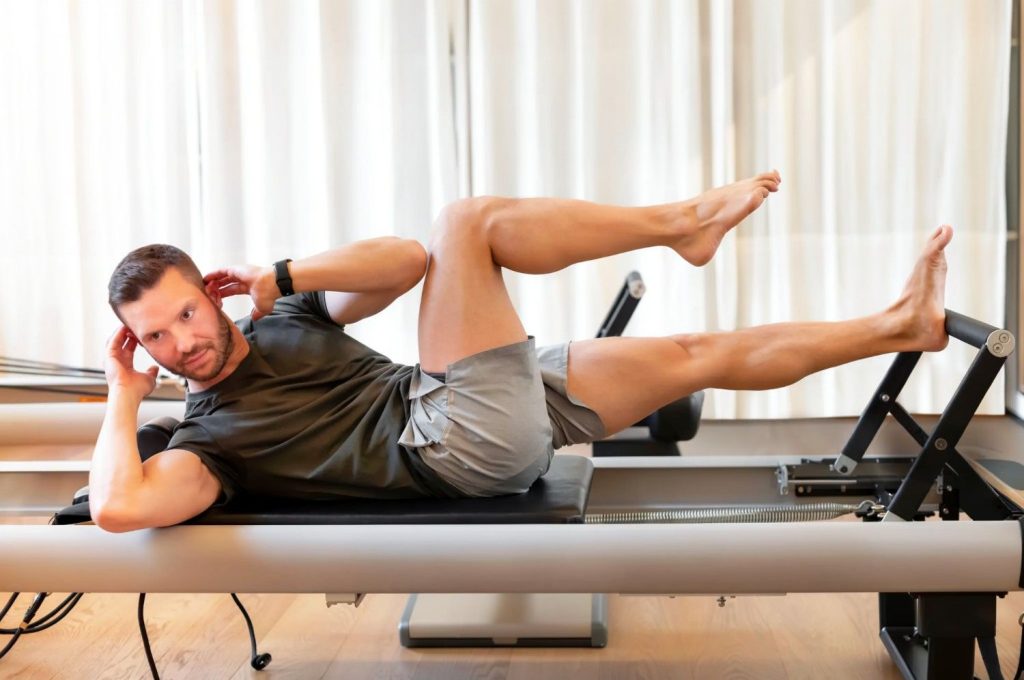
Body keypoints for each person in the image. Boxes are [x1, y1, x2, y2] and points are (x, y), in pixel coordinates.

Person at [89, 171, 952, 532]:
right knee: (469, 222)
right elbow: (119, 509)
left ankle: (898, 325)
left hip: (458, 408)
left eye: (187, 313)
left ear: (212, 291)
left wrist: (283, 274)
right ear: (139, 342)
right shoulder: (210, 438)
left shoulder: (282, 314)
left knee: (698, 351)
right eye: (156, 335)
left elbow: (404, 263)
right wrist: (125, 394)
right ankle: (683, 223)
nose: (183, 343)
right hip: (448, 444)